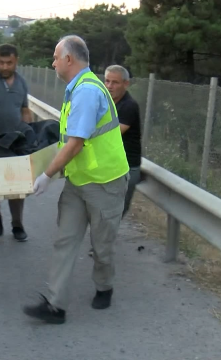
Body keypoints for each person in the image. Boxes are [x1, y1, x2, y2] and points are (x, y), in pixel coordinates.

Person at [22, 35, 129, 324]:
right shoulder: (76, 89)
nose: (53, 62)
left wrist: (45, 176)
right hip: (79, 182)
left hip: (105, 182)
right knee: (65, 240)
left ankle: (104, 286)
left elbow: (76, 143)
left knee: (102, 246)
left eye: (56, 57)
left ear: (69, 59)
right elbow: (68, 141)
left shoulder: (86, 91)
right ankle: (55, 306)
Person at [88, 64, 142, 258]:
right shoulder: (104, 102)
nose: (109, 86)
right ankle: (100, 246)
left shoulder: (128, 106)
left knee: (117, 211)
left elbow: (112, 135)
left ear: (126, 84)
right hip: (108, 165)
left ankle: (101, 247)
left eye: (115, 82)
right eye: (107, 81)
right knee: (104, 209)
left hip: (127, 166)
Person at [0, 43, 32, 241]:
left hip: (15, 143)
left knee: (17, 186)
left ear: (16, 61)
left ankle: (17, 225)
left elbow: (24, 110)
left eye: (9, 63)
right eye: (0, 62)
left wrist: (30, 136)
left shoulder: (21, 83)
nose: (4, 67)